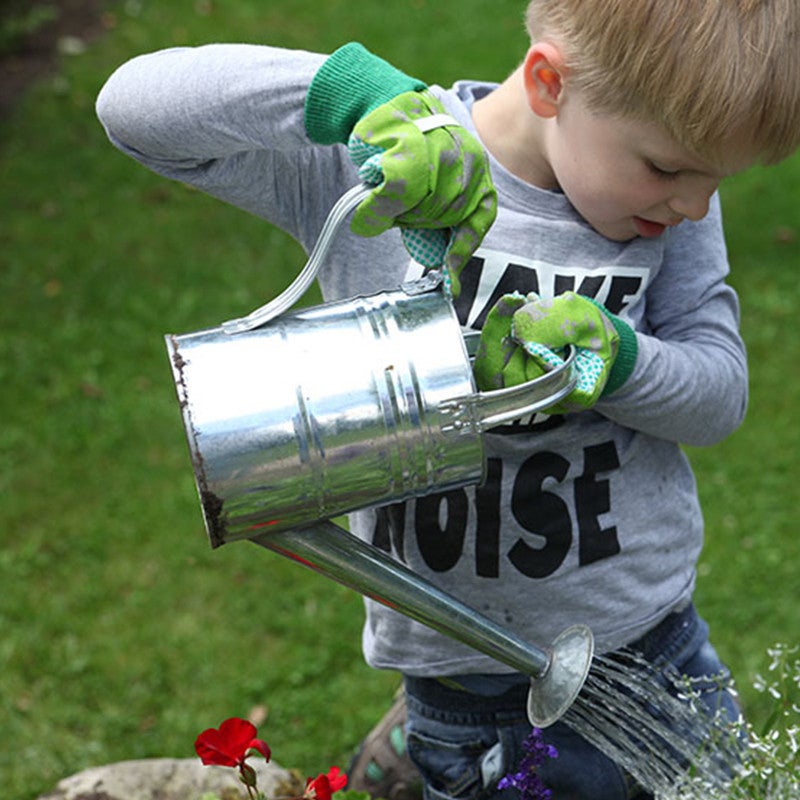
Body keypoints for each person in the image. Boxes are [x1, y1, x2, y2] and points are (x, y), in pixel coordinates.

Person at [95, 1, 800, 797]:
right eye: (670, 169)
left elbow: (721, 396)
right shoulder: (388, 169)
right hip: (476, 702)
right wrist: (357, 94)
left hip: (655, 650)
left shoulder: (670, 214)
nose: (696, 204)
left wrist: (624, 360)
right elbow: (132, 108)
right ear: (547, 82)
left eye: (717, 181)